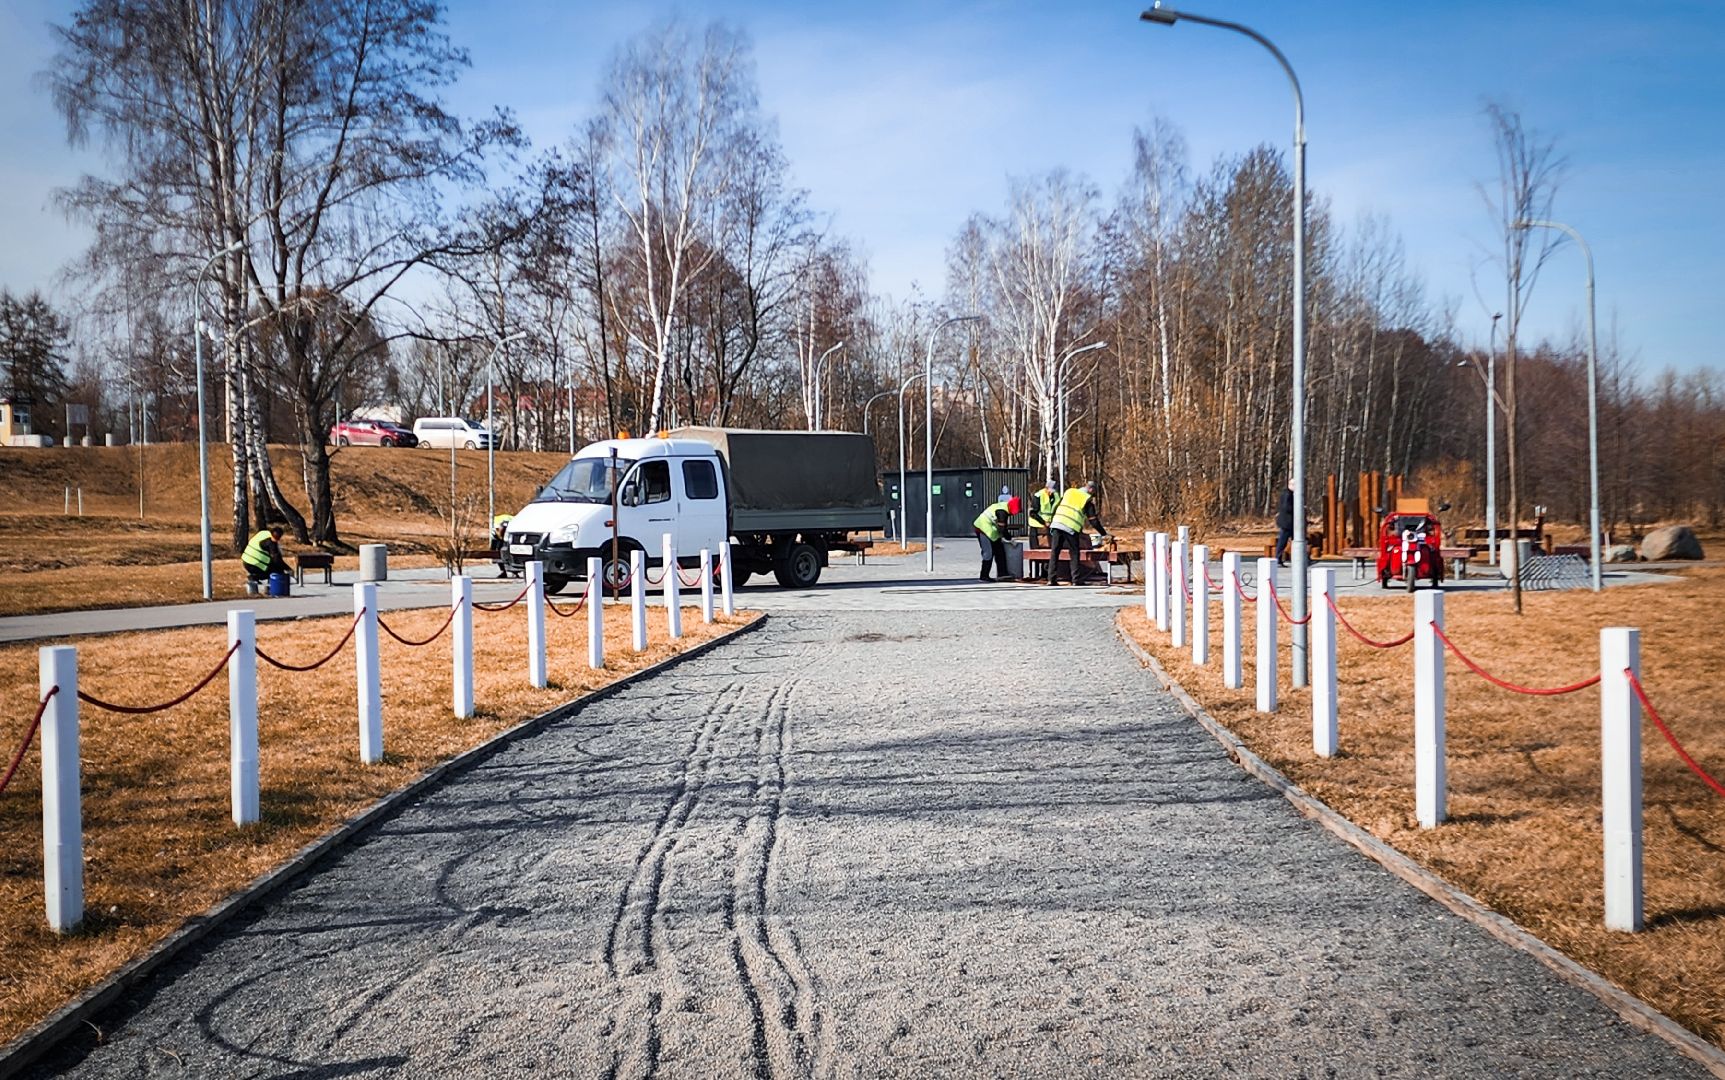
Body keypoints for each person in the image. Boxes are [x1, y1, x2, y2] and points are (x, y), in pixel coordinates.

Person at [1046, 481, 1106, 585]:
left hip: (1057, 524)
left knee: (1055, 552)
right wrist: (1104, 533)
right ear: (1091, 490)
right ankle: (1076, 579)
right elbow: (1093, 521)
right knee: (1074, 553)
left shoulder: (1069, 492)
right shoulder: (1087, 499)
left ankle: (1051, 579)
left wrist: (1052, 521)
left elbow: (1056, 507)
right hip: (1071, 527)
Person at [973, 495, 1018, 582]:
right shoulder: (1002, 512)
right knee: (988, 553)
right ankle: (984, 576)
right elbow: (1002, 529)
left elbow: (1002, 527)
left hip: (991, 530)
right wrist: (1010, 539)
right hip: (982, 528)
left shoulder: (1005, 507)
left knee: (999, 551)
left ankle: (1002, 574)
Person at [241, 522, 291, 591]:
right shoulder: (270, 543)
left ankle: (255, 577)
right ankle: (257, 579)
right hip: (254, 564)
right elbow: (277, 559)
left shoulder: (264, 533)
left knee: (272, 566)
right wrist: (288, 568)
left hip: (246, 560)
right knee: (276, 571)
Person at [1028, 478, 1059, 547]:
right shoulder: (1038, 496)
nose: (1051, 493)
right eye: (1049, 491)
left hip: (1049, 526)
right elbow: (1033, 513)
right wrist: (1043, 522)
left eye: (1053, 491)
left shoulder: (1056, 496)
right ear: (1046, 488)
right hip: (1036, 525)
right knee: (1036, 549)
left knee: (1048, 547)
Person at [1274, 481, 1295, 566]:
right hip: (1287, 522)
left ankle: (1304, 557)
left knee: (1298, 540)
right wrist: (1297, 507)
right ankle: (1278, 558)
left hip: (1289, 522)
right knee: (1283, 541)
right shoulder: (1288, 494)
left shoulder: (1287, 493)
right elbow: (1286, 507)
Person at [491, 512, 516, 578]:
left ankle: (505, 571)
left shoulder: (497, 522)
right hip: (509, 542)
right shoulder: (512, 521)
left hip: (503, 542)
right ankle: (513, 572)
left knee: (499, 554)